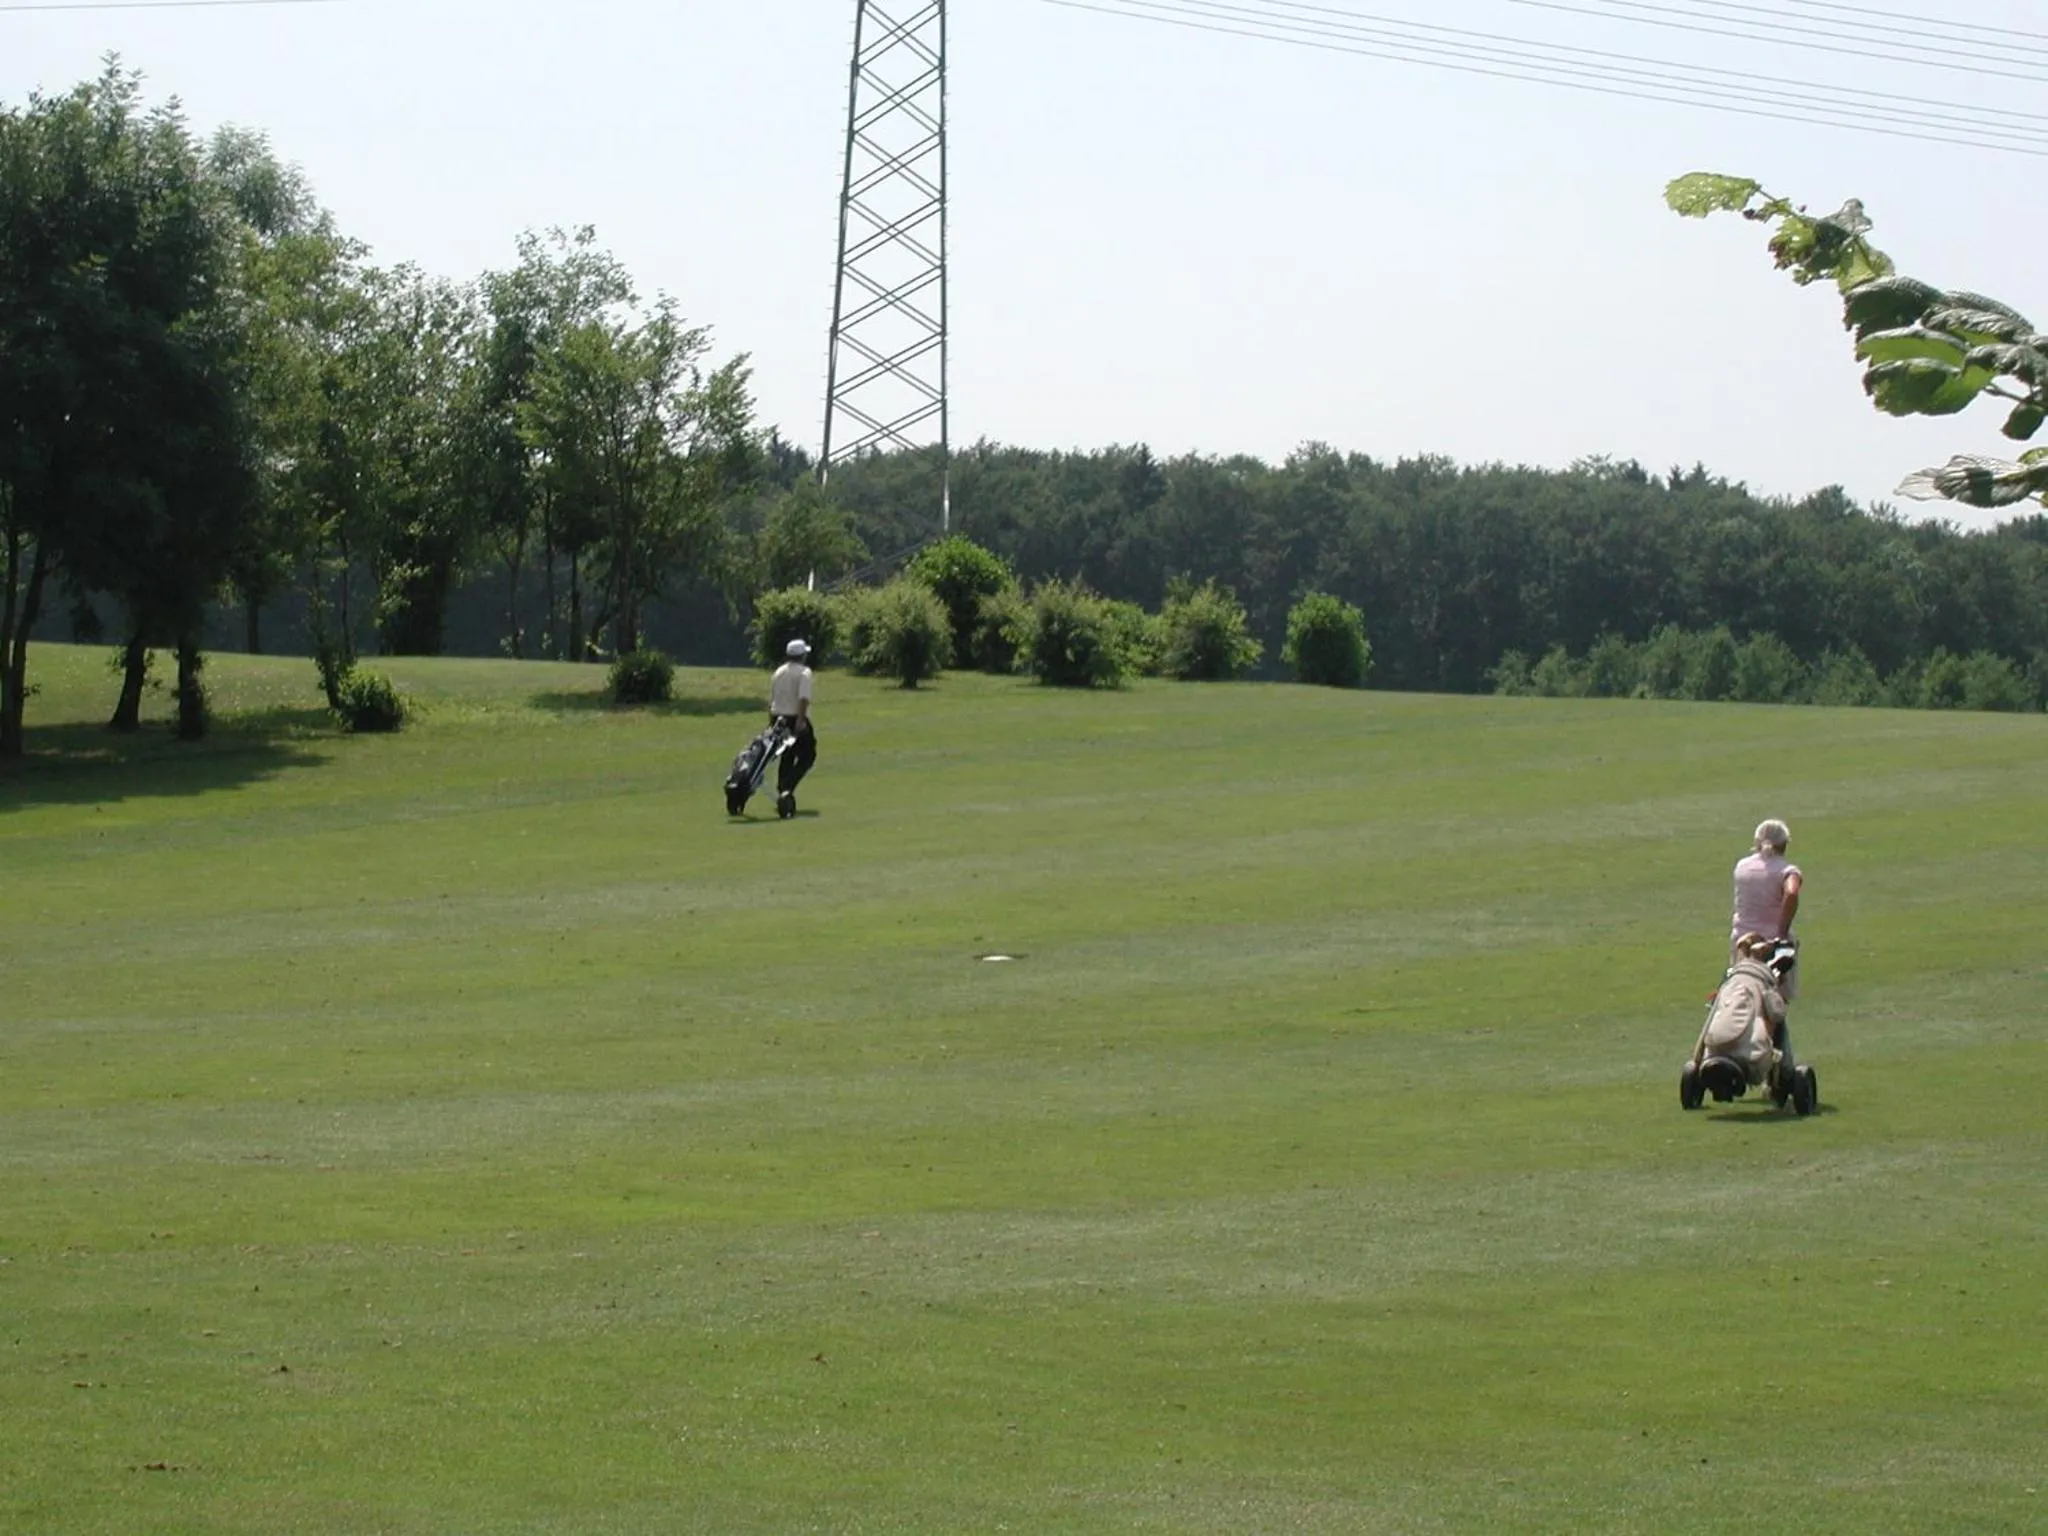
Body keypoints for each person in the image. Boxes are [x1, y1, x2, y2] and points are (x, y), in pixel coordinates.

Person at [1731, 818, 1802, 996]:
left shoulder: (1742, 866)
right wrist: (1782, 933)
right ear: (1784, 844)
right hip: (1771, 946)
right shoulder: (1786, 871)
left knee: (1741, 995)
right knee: (1775, 1002)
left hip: (1742, 943)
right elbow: (1792, 893)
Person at [768, 638, 818, 817]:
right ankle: (786, 787)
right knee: (808, 755)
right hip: (794, 717)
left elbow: (772, 699)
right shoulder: (804, 672)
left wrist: (770, 723)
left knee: (786, 755)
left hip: (777, 718)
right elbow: (803, 698)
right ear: (802, 656)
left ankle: (783, 787)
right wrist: (801, 720)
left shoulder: (778, 672)